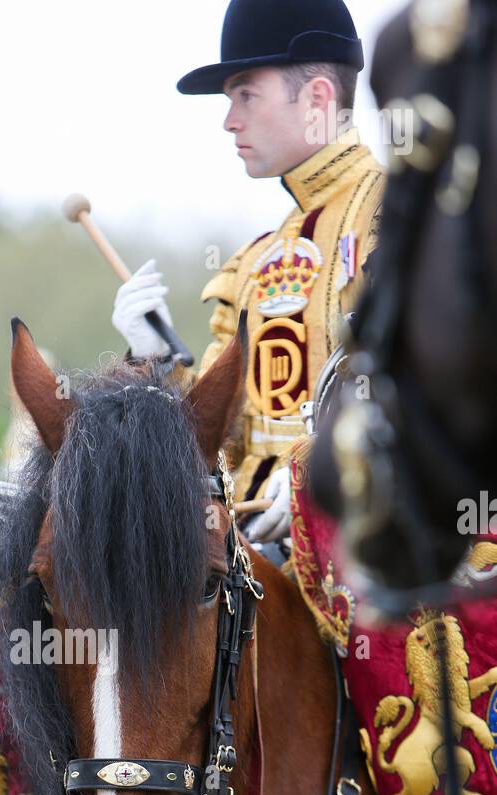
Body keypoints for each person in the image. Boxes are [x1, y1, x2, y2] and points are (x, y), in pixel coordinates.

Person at [111, 0, 383, 549]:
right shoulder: (253, 265)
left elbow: (439, 394)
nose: (229, 119)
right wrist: (159, 361)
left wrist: (320, 468)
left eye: (245, 94)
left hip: (370, 554)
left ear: (317, 98)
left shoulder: (408, 220)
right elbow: (215, 440)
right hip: (247, 558)